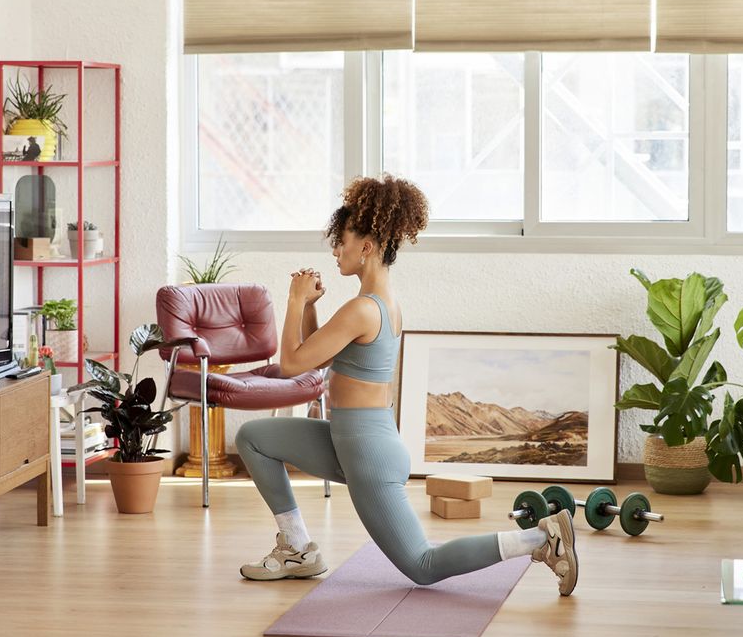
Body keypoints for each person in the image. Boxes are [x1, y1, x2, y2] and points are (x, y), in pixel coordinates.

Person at [236, 174, 578, 595]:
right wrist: (308, 308)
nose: (335, 250)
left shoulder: (362, 309)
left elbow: (291, 364)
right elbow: (318, 355)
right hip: (355, 439)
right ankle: (297, 548)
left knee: (423, 565)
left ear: (367, 246)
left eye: (342, 241)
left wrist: (291, 299)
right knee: (254, 436)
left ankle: (542, 539)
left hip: (367, 453)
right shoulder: (380, 304)